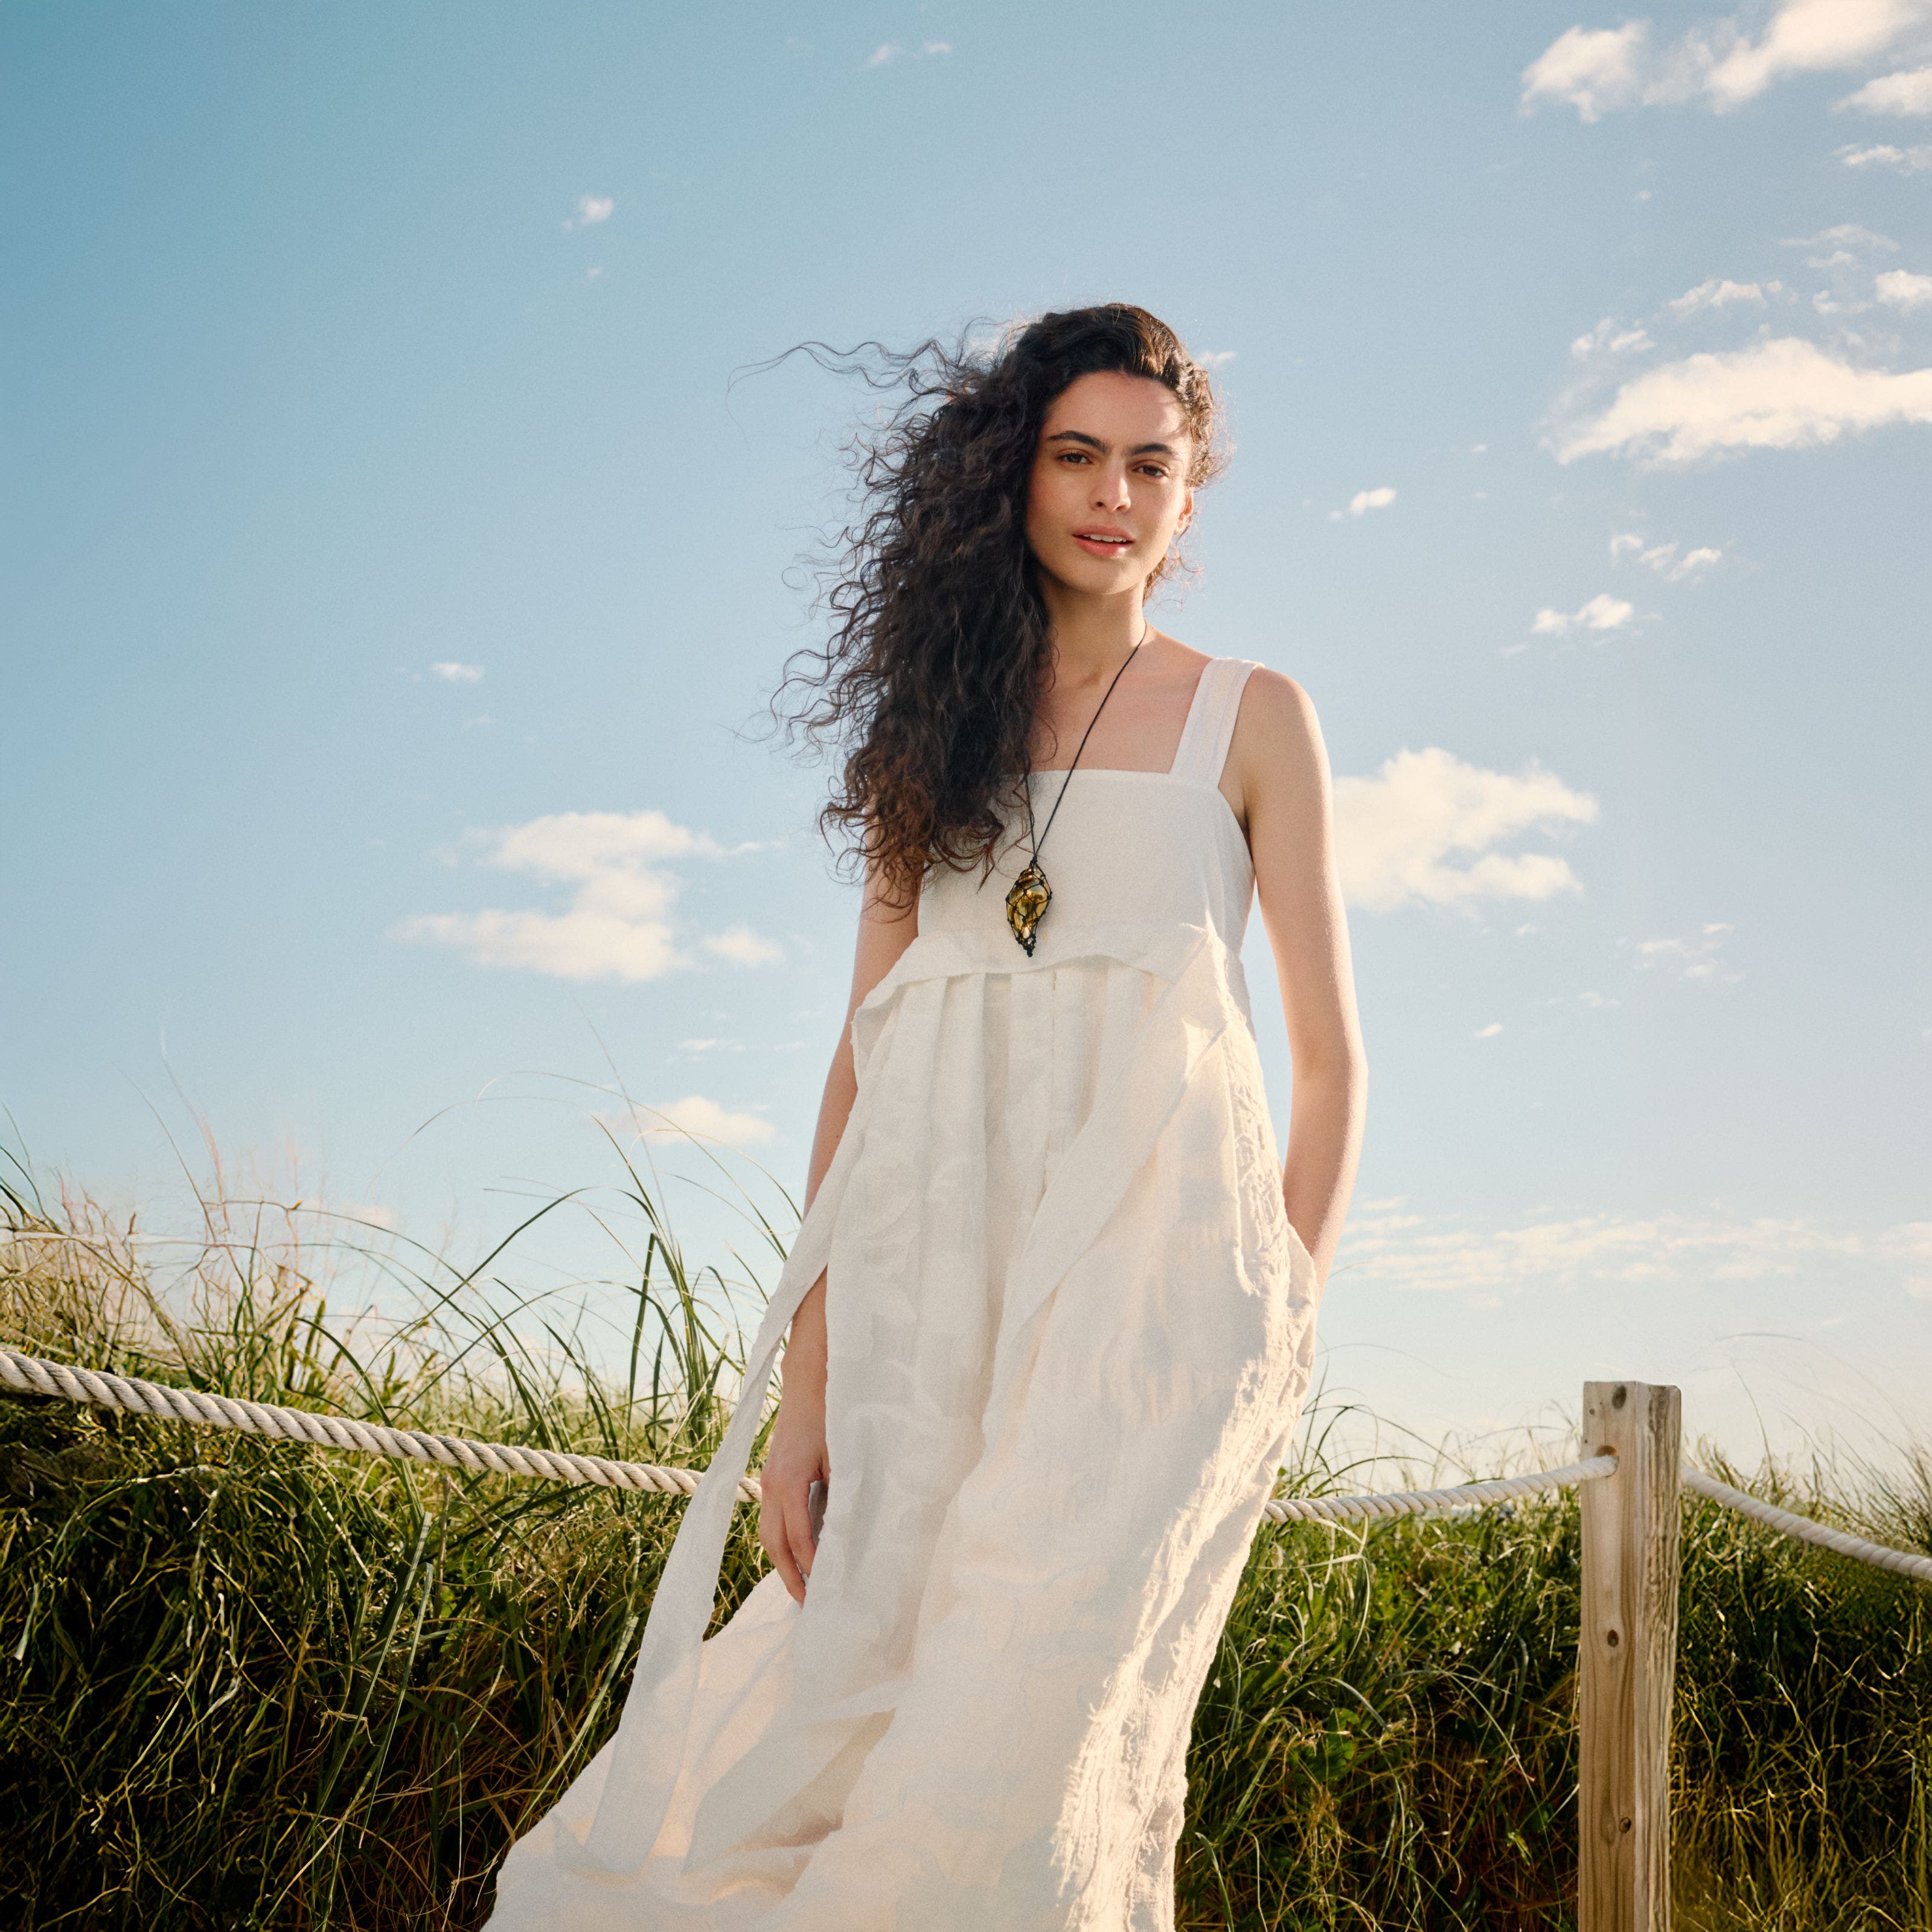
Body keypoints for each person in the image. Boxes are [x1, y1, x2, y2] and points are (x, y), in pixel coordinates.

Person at [485, 302, 1366, 1931]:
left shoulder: (1255, 715)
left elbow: (1331, 1060)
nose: (1114, 495)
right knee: (861, 1711)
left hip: (1154, 1318)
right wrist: (803, 1391)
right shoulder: (931, 738)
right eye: (1076, 456)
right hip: (923, 1292)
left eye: (1150, 466)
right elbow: (860, 1061)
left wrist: (1281, 1319)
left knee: (1035, 1742)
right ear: (1012, 479)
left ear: (1195, 495)